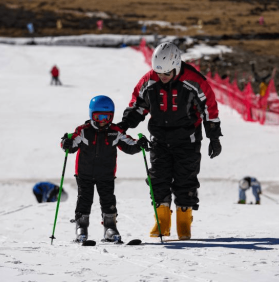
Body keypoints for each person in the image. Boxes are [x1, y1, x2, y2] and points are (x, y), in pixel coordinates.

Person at [117, 42, 223, 240]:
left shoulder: (193, 81)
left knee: (185, 180)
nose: (162, 77)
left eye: (166, 73)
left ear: (176, 66)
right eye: (158, 73)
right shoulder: (150, 80)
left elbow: (209, 107)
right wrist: (125, 123)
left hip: (187, 140)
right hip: (159, 139)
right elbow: (138, 105)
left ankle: (184, 221)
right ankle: (162, 220)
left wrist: (214, 136)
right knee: (158, 179)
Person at [60, 95, 148, 243]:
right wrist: (66, 143)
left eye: (107, 117)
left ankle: (110, 227)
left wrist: (140, 144)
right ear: (91, 115)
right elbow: (71, 145)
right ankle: (81, 227)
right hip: (84, 174)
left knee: (108, 201)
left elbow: (129, 145)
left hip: (106, 174)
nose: (103, 121)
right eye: (99, 117)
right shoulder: (83, 130)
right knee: (84, 200)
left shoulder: (115, 131)